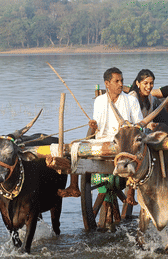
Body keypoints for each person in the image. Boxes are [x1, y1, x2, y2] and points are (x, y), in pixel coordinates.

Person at [58, 67, 142, 198]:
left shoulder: (131, 100)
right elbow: (97, 128)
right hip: (102, 141)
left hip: (123, 142)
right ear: (107, 84)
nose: (121, 84)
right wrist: (93, 125)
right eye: (117, 81)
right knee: (73, 148)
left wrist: (129, 127)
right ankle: (73, 187)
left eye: (122, 81)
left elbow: (139, 126)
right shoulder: (99, 101)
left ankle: (131, 187)